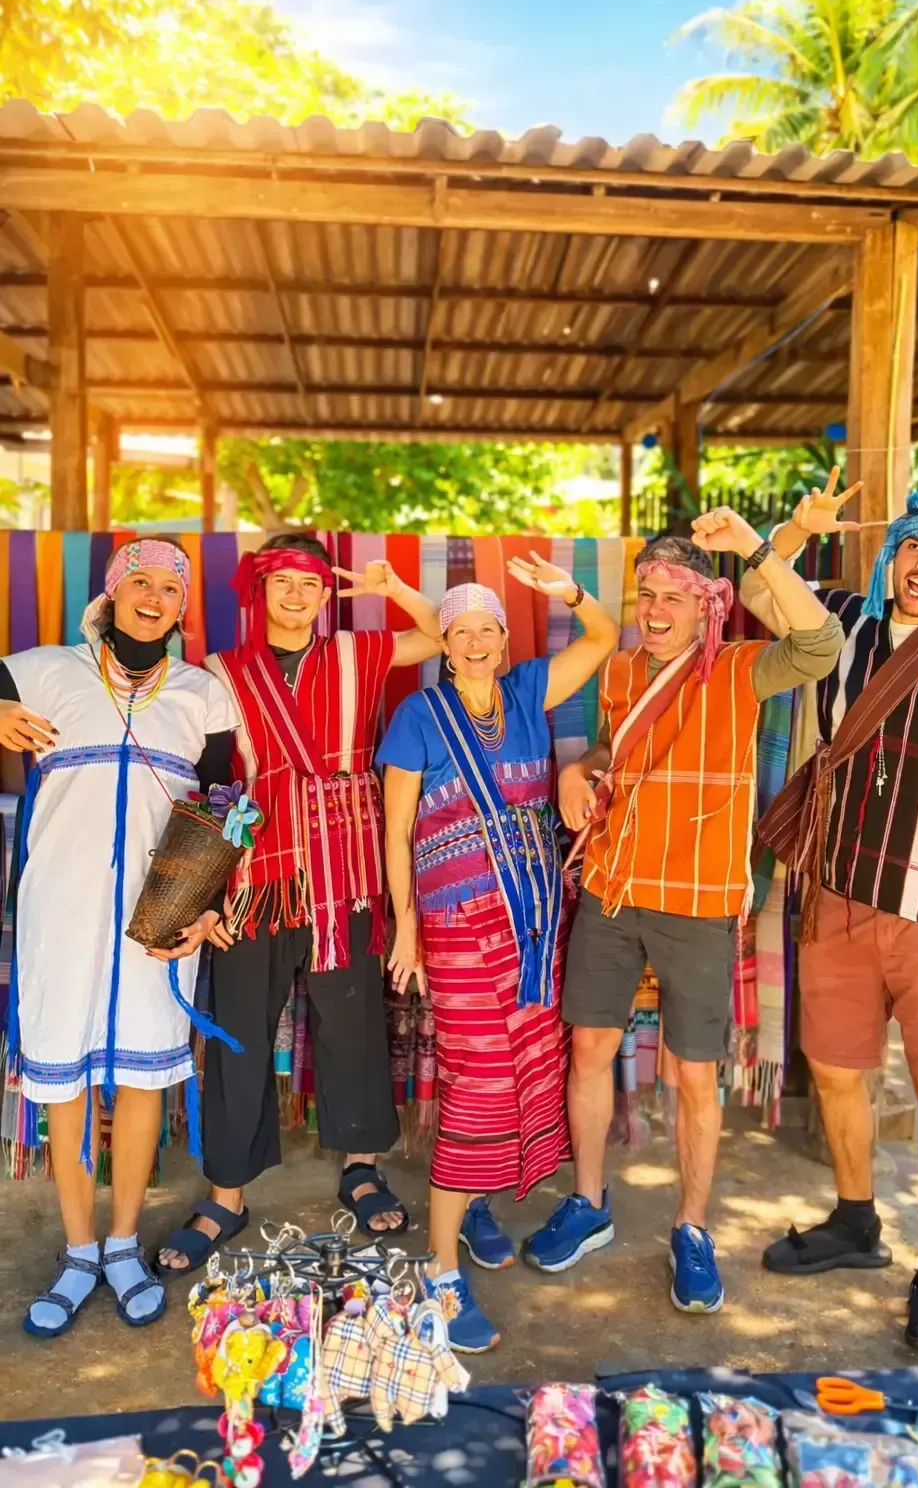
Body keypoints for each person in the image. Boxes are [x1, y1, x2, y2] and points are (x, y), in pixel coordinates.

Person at [523, 516, 845, 1315]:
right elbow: (609, 749)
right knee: (591, 1046)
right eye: (647, 594)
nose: (657, 609)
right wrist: (580, 772)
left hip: (699, 905)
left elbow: (822, 646)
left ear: (709, 605)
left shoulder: (739, 668)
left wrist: (760, 549)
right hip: (612, 890)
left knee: (693, 1073)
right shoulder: (623, 671)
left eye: (675, 596)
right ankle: (590, 1204)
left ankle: (692, 1229)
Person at [746, 479, 918, 1353]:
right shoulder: (839, 621)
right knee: (834, 1071)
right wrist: (796, 529)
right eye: (917, 547)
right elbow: (757, 589)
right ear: (893, 550)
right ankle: (856, 1220)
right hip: (836, 894)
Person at [158, 535, 442, 1272]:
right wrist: (207, 895)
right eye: (280, 582)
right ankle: (226, 1193)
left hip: (346, 869)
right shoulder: (218, 673)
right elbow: (211, 781)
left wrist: (393, 585)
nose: (295, 595)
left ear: (326, 596)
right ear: (258, 593)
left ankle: (360, 1165)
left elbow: (442, 634)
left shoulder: (360, 654)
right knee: (238, 1031)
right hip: (259, 877)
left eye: (309, 585)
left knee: (353, 1023)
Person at [378, 556, 619, 1352]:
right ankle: (440, 1271)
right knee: (479, 1082)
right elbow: (399, 831)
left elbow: (605, 637)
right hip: (455, 925)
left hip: (536, 923)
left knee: (524, 1069)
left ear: (504, 640)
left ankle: (476, 1203)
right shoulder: (418, 718)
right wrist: (405, 925)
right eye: (461, 631)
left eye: (488, 629)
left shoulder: (527, 693)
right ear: (443, 644)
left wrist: (573, 595)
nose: (476, 642)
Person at [0, 538, 238, 1336]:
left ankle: (124, 1243)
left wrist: (207, 908)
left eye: (169, 589)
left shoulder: (203, 693)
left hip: (162, 917)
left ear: (181, 609)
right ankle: (77, 1251)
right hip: (61, 912)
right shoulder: (42, 669)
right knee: (64, 1088)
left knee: (142, 1082)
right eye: (138, 582)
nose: (153, 597)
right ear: (109, 596)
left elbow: (226, 807)